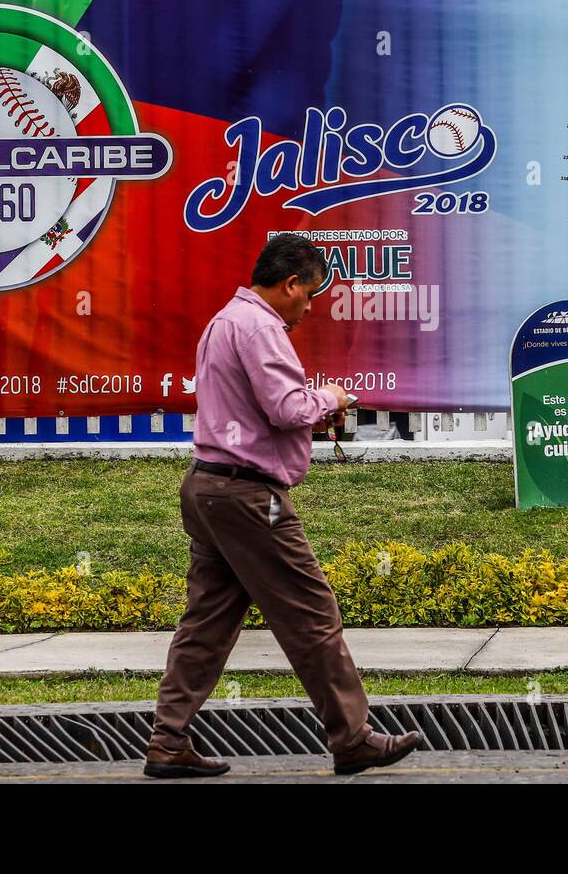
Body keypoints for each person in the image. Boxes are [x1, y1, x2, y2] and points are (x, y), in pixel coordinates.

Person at [144, 234, 422, 778]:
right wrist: (335, 399)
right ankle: (353, 738)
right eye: (310, 294)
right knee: (313, 614)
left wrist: (308, 414)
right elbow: (285, 407)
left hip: (209, 486)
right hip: (249, 497)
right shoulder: (260, 326)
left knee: (208, 621)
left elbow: (257, 410)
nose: (310, 306)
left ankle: (168, 741)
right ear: (290, 283)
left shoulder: (224, 320)